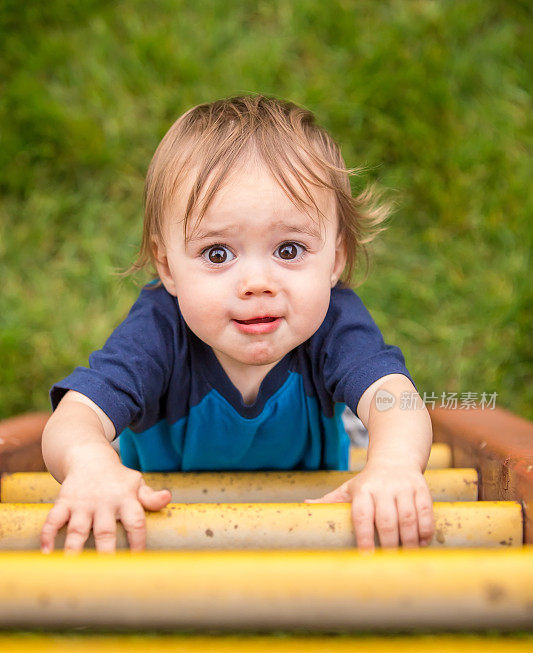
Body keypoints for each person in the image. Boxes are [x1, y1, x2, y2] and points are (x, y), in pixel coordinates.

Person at [40, 94, 434, 555]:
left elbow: (396, 396)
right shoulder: (160, 329)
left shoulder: (332, 320)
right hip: (170, 530)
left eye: (288, 250)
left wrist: (392, 465)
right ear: (167, 267)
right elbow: (74, 417)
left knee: (378, 421)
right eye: (217, 254)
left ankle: (359, 430)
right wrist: (89, 463)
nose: (256, 283)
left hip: (305, 534)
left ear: (337, 259)